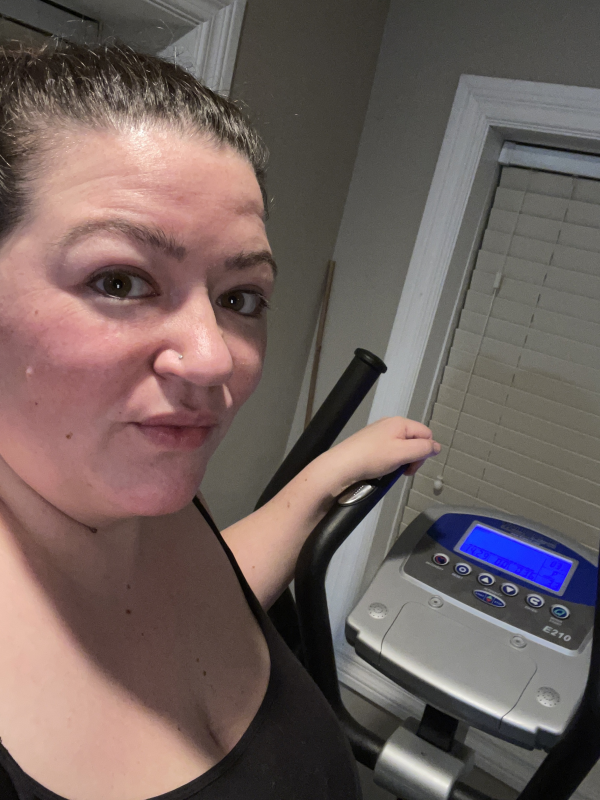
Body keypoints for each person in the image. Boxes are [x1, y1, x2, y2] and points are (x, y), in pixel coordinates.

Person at [0, 40, 440, 800]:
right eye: (120, 280)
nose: (213, 360)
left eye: (241, 298)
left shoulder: (145, 498)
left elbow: (203, 595)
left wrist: (327, 476)